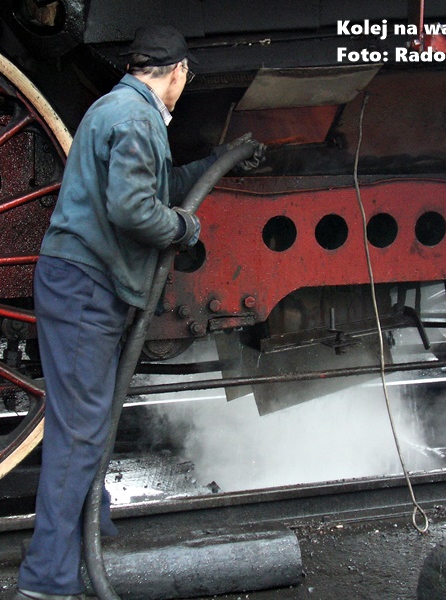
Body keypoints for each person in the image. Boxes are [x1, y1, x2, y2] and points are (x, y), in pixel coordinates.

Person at [15, 25, 264, 600]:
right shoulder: (137, 119)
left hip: (79, 285)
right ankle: (47, 582)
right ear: (177, 73)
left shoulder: (117, 108)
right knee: (79, 434)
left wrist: (217, 161)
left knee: (86, 425)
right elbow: (133, 208)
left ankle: (89, 531)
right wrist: (184, 225)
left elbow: (154, 182)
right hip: (86, 290)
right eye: (186, 80)